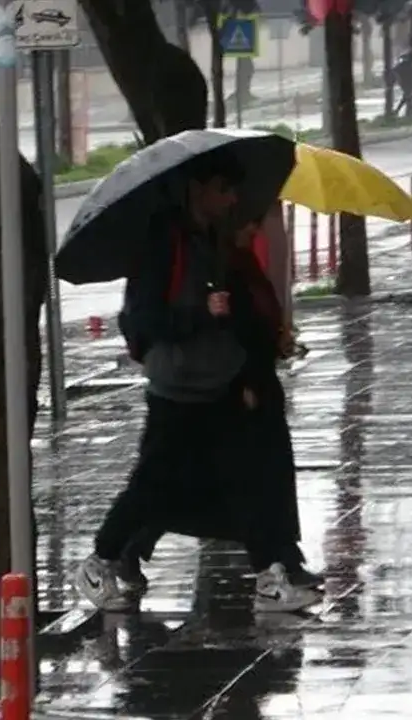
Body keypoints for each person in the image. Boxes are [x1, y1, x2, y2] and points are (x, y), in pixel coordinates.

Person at [74, 151, 323, 614]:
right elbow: (142, 317)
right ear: (199, 189)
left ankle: (271, 575)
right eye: (224, 190)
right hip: (179, 387)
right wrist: (199, 314)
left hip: (219, 381)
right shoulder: (165, 241)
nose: (231, 201)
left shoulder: (210, 237)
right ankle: (101, 559)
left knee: (250, 478)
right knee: (153, 483)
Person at [116, 218, 323, 595]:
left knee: (260, 479)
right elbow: (228, 330)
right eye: (249, 221)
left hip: (256, 383)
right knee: (204, 481)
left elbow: (258, 318)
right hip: (234, 387)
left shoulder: (241, 262)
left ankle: (280, 559)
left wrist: (279, 337)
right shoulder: (217, 266)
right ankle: (126, 547)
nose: (254, 228)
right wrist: (245, 380)